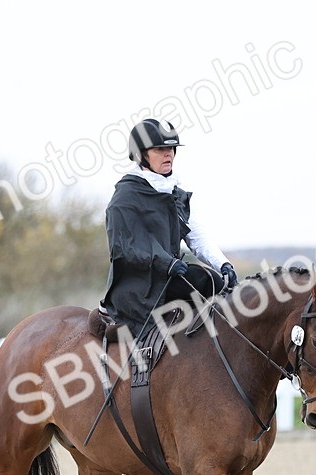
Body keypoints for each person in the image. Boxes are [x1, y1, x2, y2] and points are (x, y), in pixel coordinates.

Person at [101, 118, 238, 331]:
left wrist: (223, 264)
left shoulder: (172, 191)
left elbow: (196, 236)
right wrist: (166, 262)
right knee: (203, 280)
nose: (168, 154)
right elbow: (126, 246)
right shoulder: (125, 197)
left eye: (171, 148)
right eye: (160, 149)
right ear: (141, 154)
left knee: (215, 282)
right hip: (137, 286)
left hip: (167, 277)